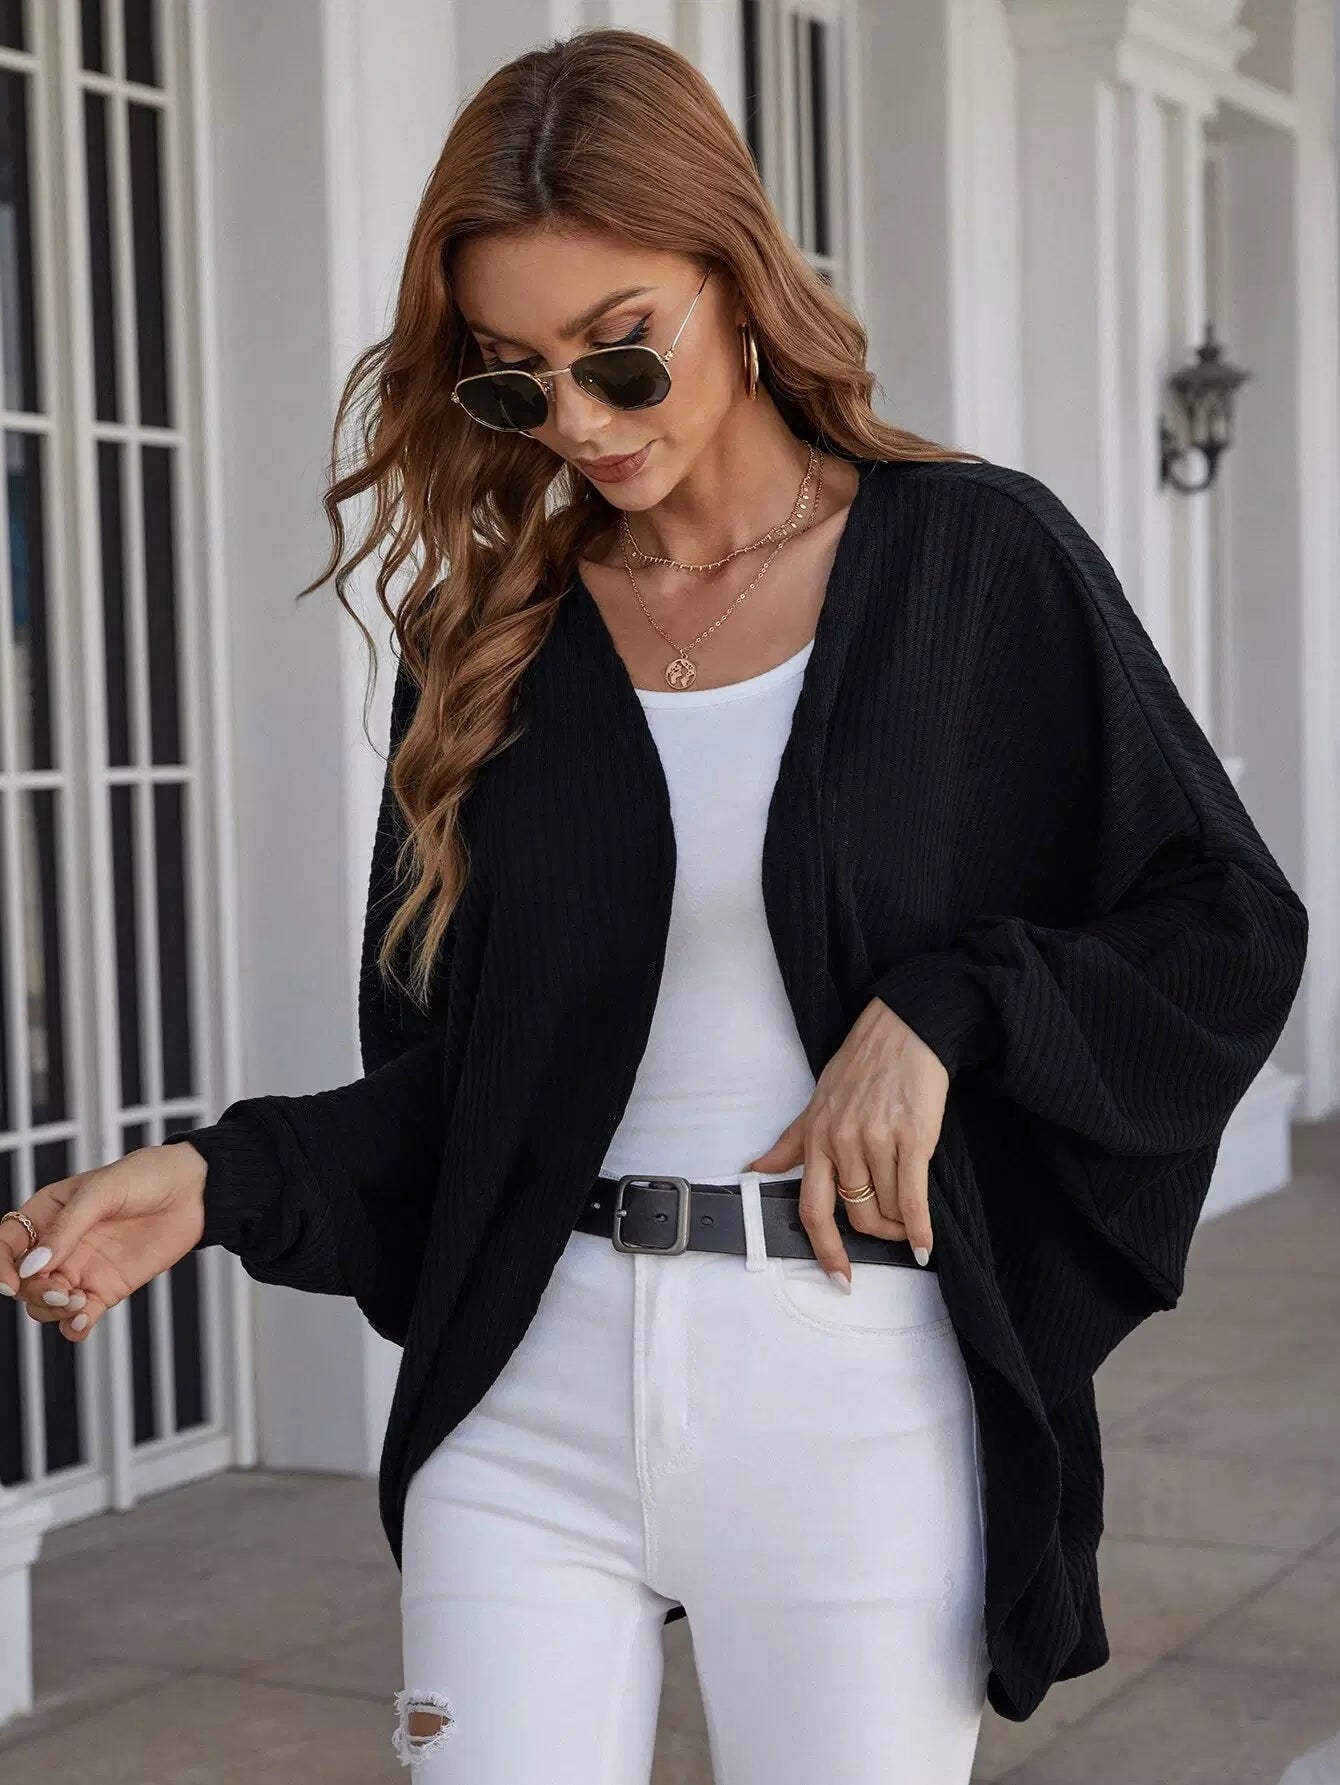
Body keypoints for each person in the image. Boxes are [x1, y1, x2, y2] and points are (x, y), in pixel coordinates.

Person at [0, 26, 1307, 1785]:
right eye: (512, 382)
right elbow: (466, 1089)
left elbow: (1223, 919)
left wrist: (951, 1007)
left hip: (853, 1391)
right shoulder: (492, 643)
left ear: (738, 277)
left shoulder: (974, 561)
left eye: (620, 352)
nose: (579, 424)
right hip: (527, 1394)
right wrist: (217, 1177)